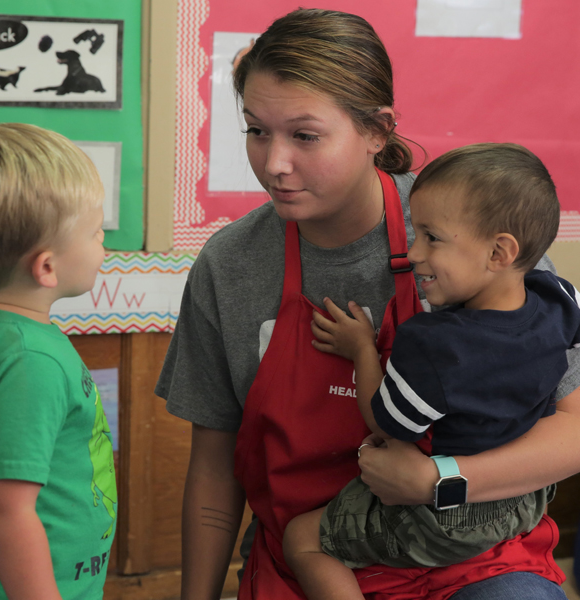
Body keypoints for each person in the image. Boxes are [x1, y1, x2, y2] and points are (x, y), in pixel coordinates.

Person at [155, 8, 580, 599]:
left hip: (470, 562)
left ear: (378, 131)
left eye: (305, 136)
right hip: (307, 564)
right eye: (256, 130)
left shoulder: (474, 233)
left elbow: (574, 428)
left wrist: (441, 479)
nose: (274, 163)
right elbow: (213, 469)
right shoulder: (229, 266)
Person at [282, 143, 580, 600]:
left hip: (446, 517)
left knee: (302, 539)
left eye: (432, 237)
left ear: (500, 252)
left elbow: (386, 424)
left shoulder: (435, 345)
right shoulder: (558, 299)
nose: (414, 253)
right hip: (522, 505)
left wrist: (362, 350)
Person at [0, 123, 116, 600]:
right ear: (46, 267)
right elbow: (7, 508)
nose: (104, 245)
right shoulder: (29, 361)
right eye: (97, 232)